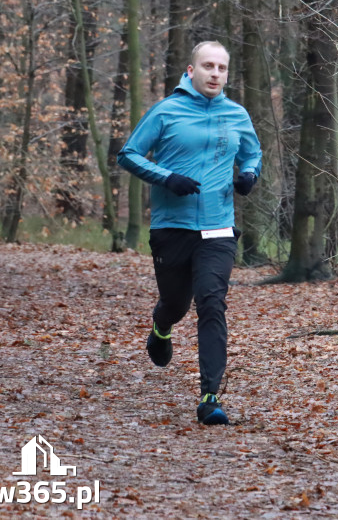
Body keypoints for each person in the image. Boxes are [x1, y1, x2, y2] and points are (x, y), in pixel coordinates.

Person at [118, 41, 262, 425]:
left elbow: (251, 153)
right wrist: (167, 177)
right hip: (172, 227)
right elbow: (128, 154)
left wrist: (249, 175)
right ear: (191, 69)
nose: (216, 74)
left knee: (212, 303)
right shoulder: (167, 111)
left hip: (218, 228)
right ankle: (161, 326)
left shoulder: (236, 114)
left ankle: (210, 397)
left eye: (222, 68)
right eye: (208, 66)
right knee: (176, 304)